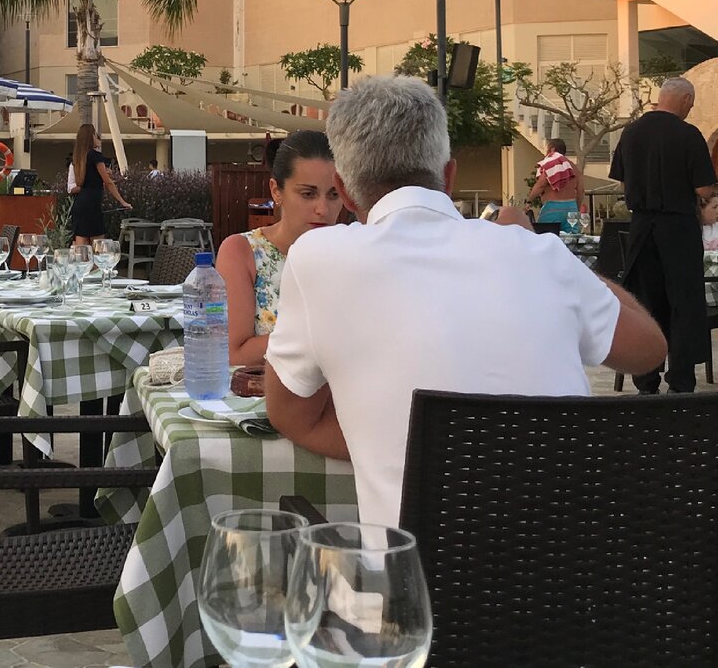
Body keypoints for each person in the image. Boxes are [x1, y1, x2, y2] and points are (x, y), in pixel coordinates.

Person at [264, 75, 666, 527]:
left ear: (344, 187)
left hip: (414, 570)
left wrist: (393, 445)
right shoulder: (538, 255)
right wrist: (548, 253)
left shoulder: (318, 258)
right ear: (449, 175)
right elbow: (649, 349)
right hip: (571, 561)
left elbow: (290, 415)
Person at [609, 77, 717, 394]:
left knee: (646, 302)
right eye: (691, 104)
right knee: (683, 303)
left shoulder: (631, 132)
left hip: (642, 227)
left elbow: (623, 183)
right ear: (685, 100)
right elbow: (704, 188)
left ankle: (646, 380)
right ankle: (680, 381)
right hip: (678, 228)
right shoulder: (688, 135)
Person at [216, 130, 342, 367]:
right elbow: (235, 355)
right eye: (308, 194)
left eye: (334, 195)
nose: (323, 209)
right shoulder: (243, 252)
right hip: (264, 389)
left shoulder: (353, 253)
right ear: (276, 191)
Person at [70, 123, 131, 244]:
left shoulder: (78, 158)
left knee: (81, 246)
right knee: (98, 245)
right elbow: (108, 182)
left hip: (80, 202)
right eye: (95, 135)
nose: (98, 138)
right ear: (91, 137)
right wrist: (122, 201)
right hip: (92, 203)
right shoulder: (95, 156)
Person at [527, 138, 584, 230]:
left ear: (552, 149)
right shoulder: (574, 167)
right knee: (571, 237)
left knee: (545, 235)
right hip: (572, 206)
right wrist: (576, 208)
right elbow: (581, 191)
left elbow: (541, 185)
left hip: (553, 207)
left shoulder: (552, 164)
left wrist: (529, 200)